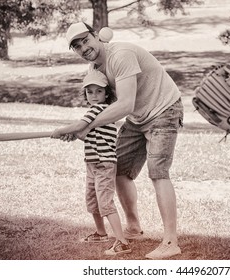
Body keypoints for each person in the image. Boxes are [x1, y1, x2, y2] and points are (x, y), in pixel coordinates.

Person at [63, 22, 184, 259]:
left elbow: (125, 104)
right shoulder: (94, 69)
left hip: (164, 110)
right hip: (138, 118)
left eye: (85, 40)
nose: (83, 47)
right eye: (77, 46)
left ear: (96, 36)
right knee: (118, 170)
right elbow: (103, 107)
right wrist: (80, 129)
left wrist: (83, 125)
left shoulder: (121, 55)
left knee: (158, 172)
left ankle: (171, 241)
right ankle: (134, 227)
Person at [51, 69, 132, 256]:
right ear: (85, 93)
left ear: (106, 94)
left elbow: (80, 126)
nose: (94, 96)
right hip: (92, 163)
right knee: (92, 199)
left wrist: (61, 130)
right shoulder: (96, 113)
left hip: (104, 164)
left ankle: (122, 242)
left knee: (105, 202)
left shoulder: (100, 109)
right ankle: (101, 233)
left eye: (99, 91)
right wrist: (72, 136)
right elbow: (87, 135)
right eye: (90, 91)